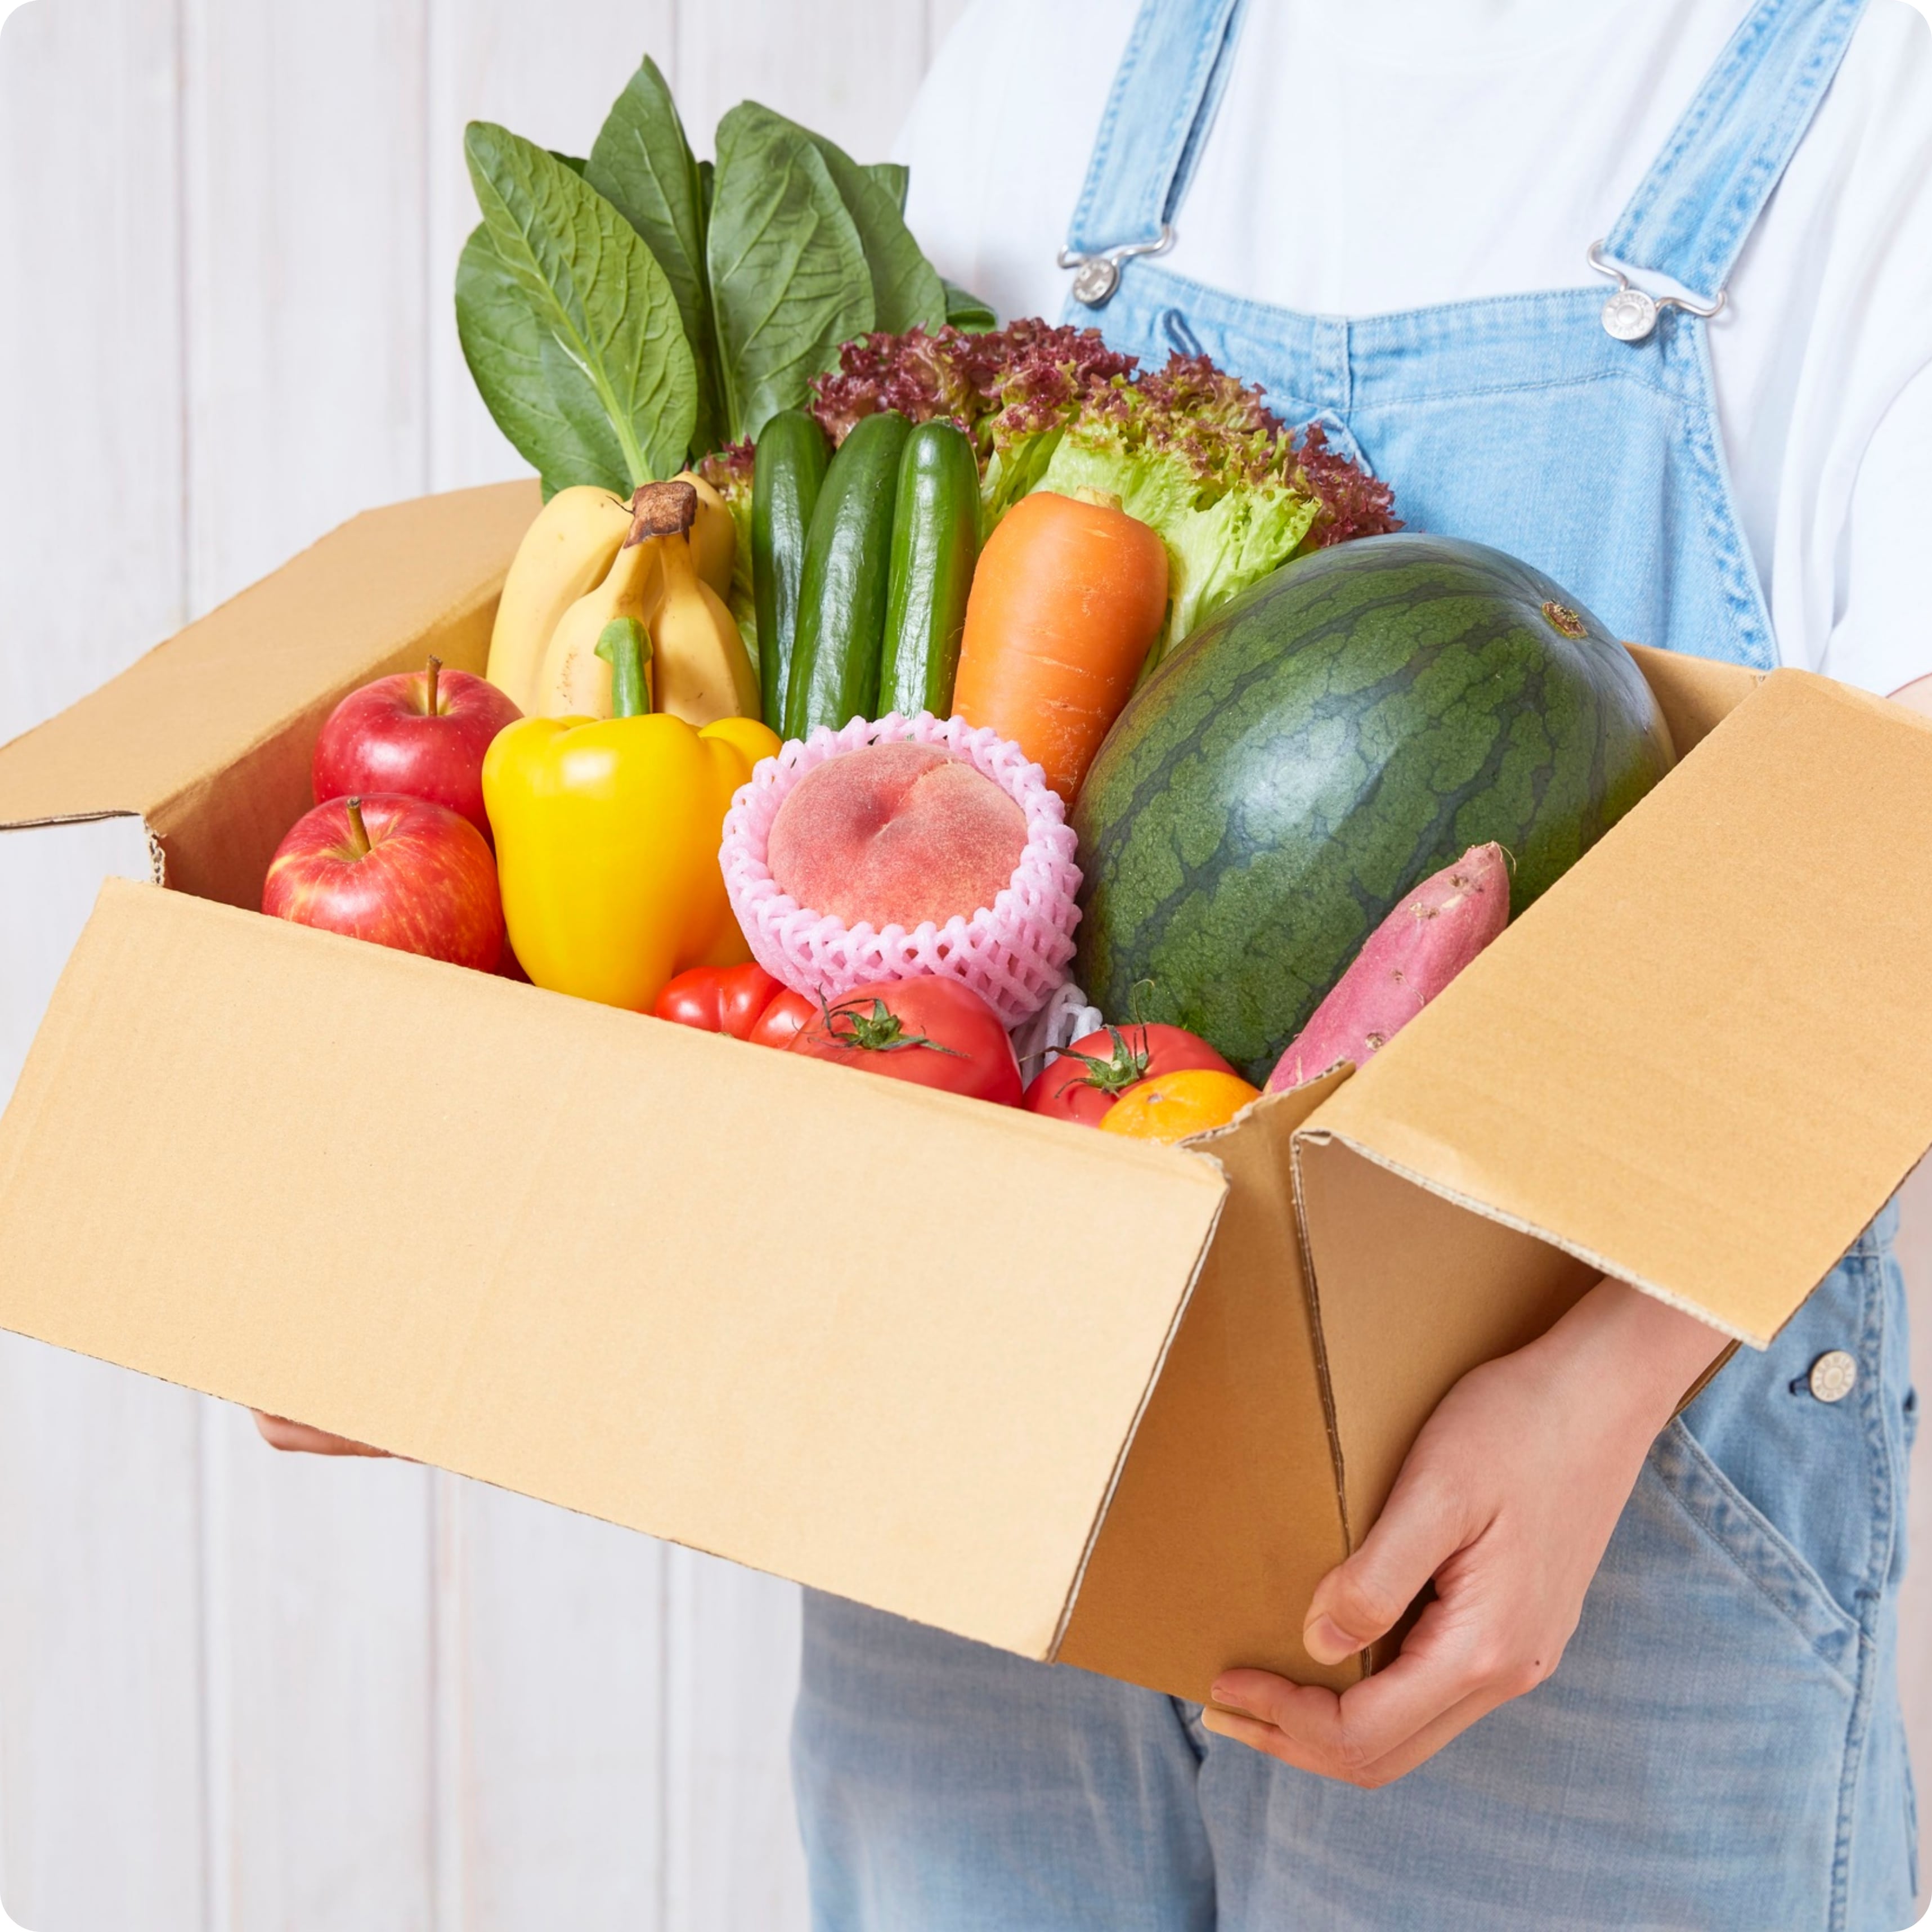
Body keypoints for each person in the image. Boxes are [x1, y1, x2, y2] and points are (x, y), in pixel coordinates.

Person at [269, 0, 1932, 1925]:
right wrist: (468, 1256)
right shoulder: (1076, 49)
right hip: (991, 1428)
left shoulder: (1869, 95)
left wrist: (1595, 1384)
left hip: (1581, 1487)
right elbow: (847, 840)